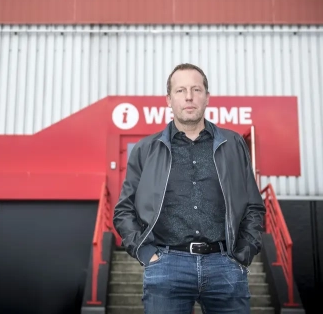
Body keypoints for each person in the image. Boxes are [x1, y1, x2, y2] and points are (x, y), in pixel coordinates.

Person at [113, 63, 266, 314]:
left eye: (196, 89)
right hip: (166, 266)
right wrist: (145, 252)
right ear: (168, 99)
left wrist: (243, 252)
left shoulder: (233, 144)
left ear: (207, 97)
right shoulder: (145, 149)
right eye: (180, 90)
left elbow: (253, 205)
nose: (189, 97)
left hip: (225, 265)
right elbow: (124, 210)